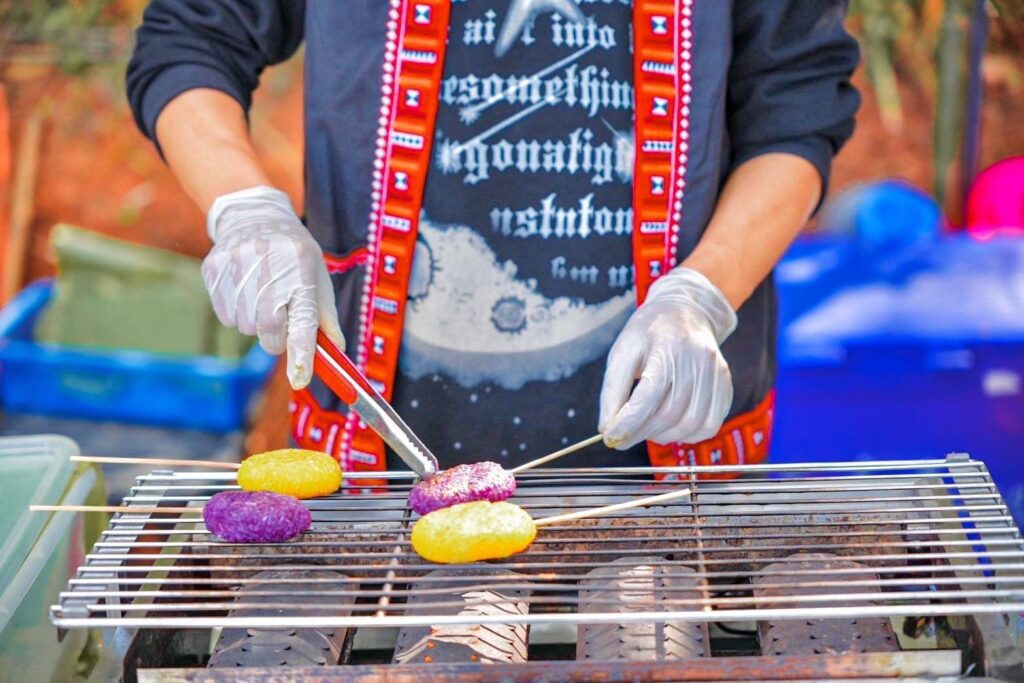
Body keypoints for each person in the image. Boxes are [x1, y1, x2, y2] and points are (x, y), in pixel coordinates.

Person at [127, 1, 859, 477]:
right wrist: (246, 209)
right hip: (373, 448)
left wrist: (702, 296)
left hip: (674, 443)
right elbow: (194, 37)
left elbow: (795, 111)